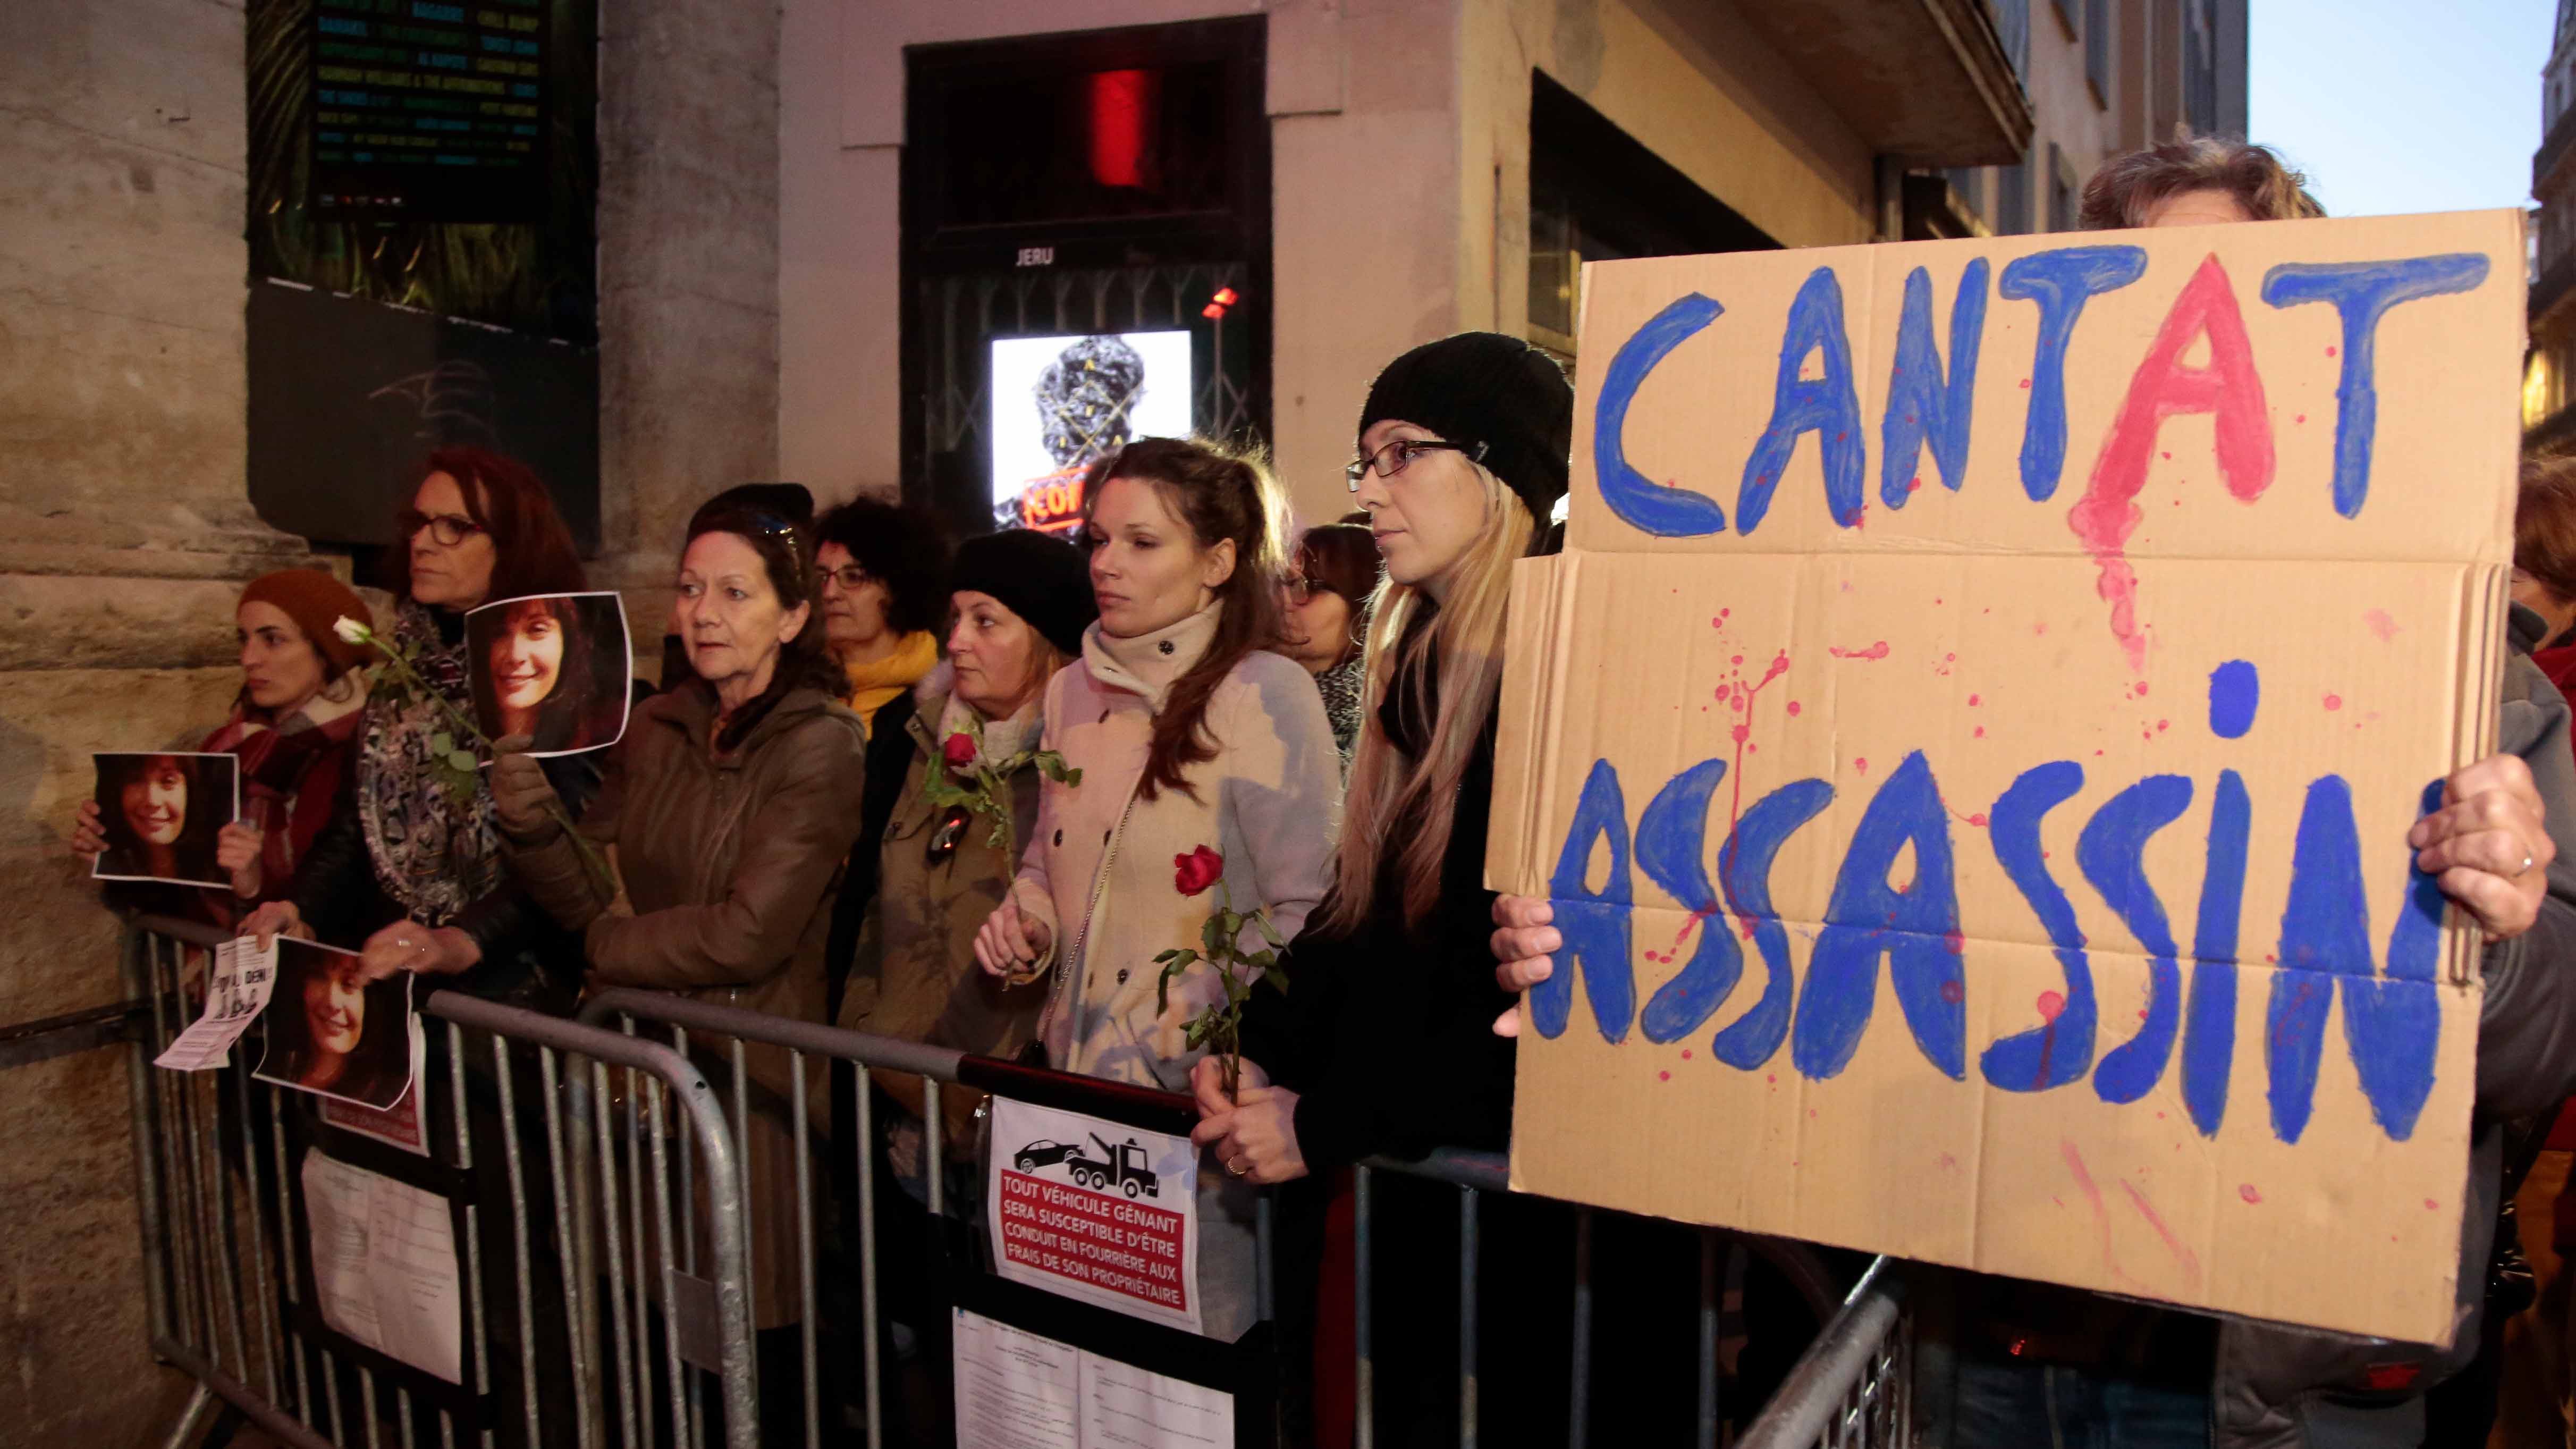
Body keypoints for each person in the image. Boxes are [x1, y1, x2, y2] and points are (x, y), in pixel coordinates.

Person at [1487, 136, 2576, 1449]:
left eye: (2213, 302)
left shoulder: (2477, 693)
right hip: (1972, 1347)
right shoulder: (1927, 650)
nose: (2169, 352)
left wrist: (2495, 923)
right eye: (2119, 304)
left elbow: (2539, 1058)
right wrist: (1605, 949)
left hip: (2263, 1390)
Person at [1185, 333, 1594, 1443]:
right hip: (1412, 1193)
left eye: (1399, 454)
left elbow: (1507, 998)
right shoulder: (1414, 661)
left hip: (1525, 1233)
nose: (1364, 490)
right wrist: (1251, 1041)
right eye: (1362, 459)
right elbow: (1355, 918)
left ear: (1501, 468)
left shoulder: (1566, 677)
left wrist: (1322, 1120)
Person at [491, 483, 867, 1437]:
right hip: (638, 1089)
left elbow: (752, 932)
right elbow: (591, 884)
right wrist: (532, 819)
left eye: (735, 593)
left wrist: (606, 953)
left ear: (791, 616)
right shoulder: (655, 726)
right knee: (649, 1335)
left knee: (746, 1348)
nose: (703, 612)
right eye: (691, 588)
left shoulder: (821, 745)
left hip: (748, 1095)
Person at [972, 435, 1339, 1341]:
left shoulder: (1266, 693)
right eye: (1096, 541)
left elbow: (1307, 912)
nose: (1106, 565)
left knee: (1181, 1400)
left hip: (1188, 1135)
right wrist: (1026, 923)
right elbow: (1047, 862)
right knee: (1065, 1381)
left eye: (1142, 543)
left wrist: (1220, 1039)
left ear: (1217, 563)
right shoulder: (1067, 694)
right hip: (1066, 1110)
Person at [239, 449, 598, 1015]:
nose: (423, 543)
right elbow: (352, 827)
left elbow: (573, 847)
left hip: (513, 991)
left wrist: (462, 938)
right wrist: (297, 907)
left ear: (513, 543)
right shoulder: (402, 675)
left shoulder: (550, 669)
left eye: (455, 527)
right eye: (420, 524)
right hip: (401, 977)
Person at [841, 527, 1096, 1145]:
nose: (955, 641)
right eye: (955, 618)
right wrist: (866, 1030)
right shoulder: (918, 743)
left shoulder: (1083, 764)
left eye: (986, 621)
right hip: (904, 1104)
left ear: (1045, 641)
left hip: (1022, 1127)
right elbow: (872, 907)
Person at [77, 571, 378, 923]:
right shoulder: (227, 746)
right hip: (215, 969)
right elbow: (180, 898)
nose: (248, 658)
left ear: (327, 651)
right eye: (243, 639)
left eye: (273, 640)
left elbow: (354, 904)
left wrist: (254, 889)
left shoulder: (365, 755)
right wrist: (119, 856)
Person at [813, 496, 949, 738]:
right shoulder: (793, 688)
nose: (830, 593)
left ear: (898, 588)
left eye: (853, 577)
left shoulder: (941, 705)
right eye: (822, 577)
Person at [259, 945, 411, 1108]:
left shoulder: (385, 1090)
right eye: (319, 977)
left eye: (349, 984)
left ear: (372, 1003)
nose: (332, 1001)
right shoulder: (277, 1065)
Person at [1278, 521, 1378, 765]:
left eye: (1309, 587)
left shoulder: (1373, 721)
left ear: (1363, 603)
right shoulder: (1266, 694)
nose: (1284, 601)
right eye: (1282, 583)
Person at [471, 593, 620, 753]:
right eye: (499, 633)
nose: (515, 655)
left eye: (537, 630)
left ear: (568, 642)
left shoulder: (605, 739)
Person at [91, 753, 223, 883]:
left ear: (190, 791)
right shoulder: (104, 861)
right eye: (135, 779)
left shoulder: (221, 867)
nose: (153, 800)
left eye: (168, 781)